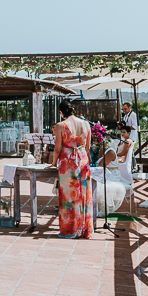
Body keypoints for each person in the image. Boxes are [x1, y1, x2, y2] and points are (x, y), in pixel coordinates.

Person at [52, 100, 93, 239]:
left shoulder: (60, 126)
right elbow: (88, 148)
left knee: (69, 196)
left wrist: (53, 162)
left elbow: (57, 148)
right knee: (83, 194)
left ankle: (70, 229)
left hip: (68, 162)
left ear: (61, 112)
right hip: (82, 160)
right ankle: (84, 229)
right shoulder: (86, 124)